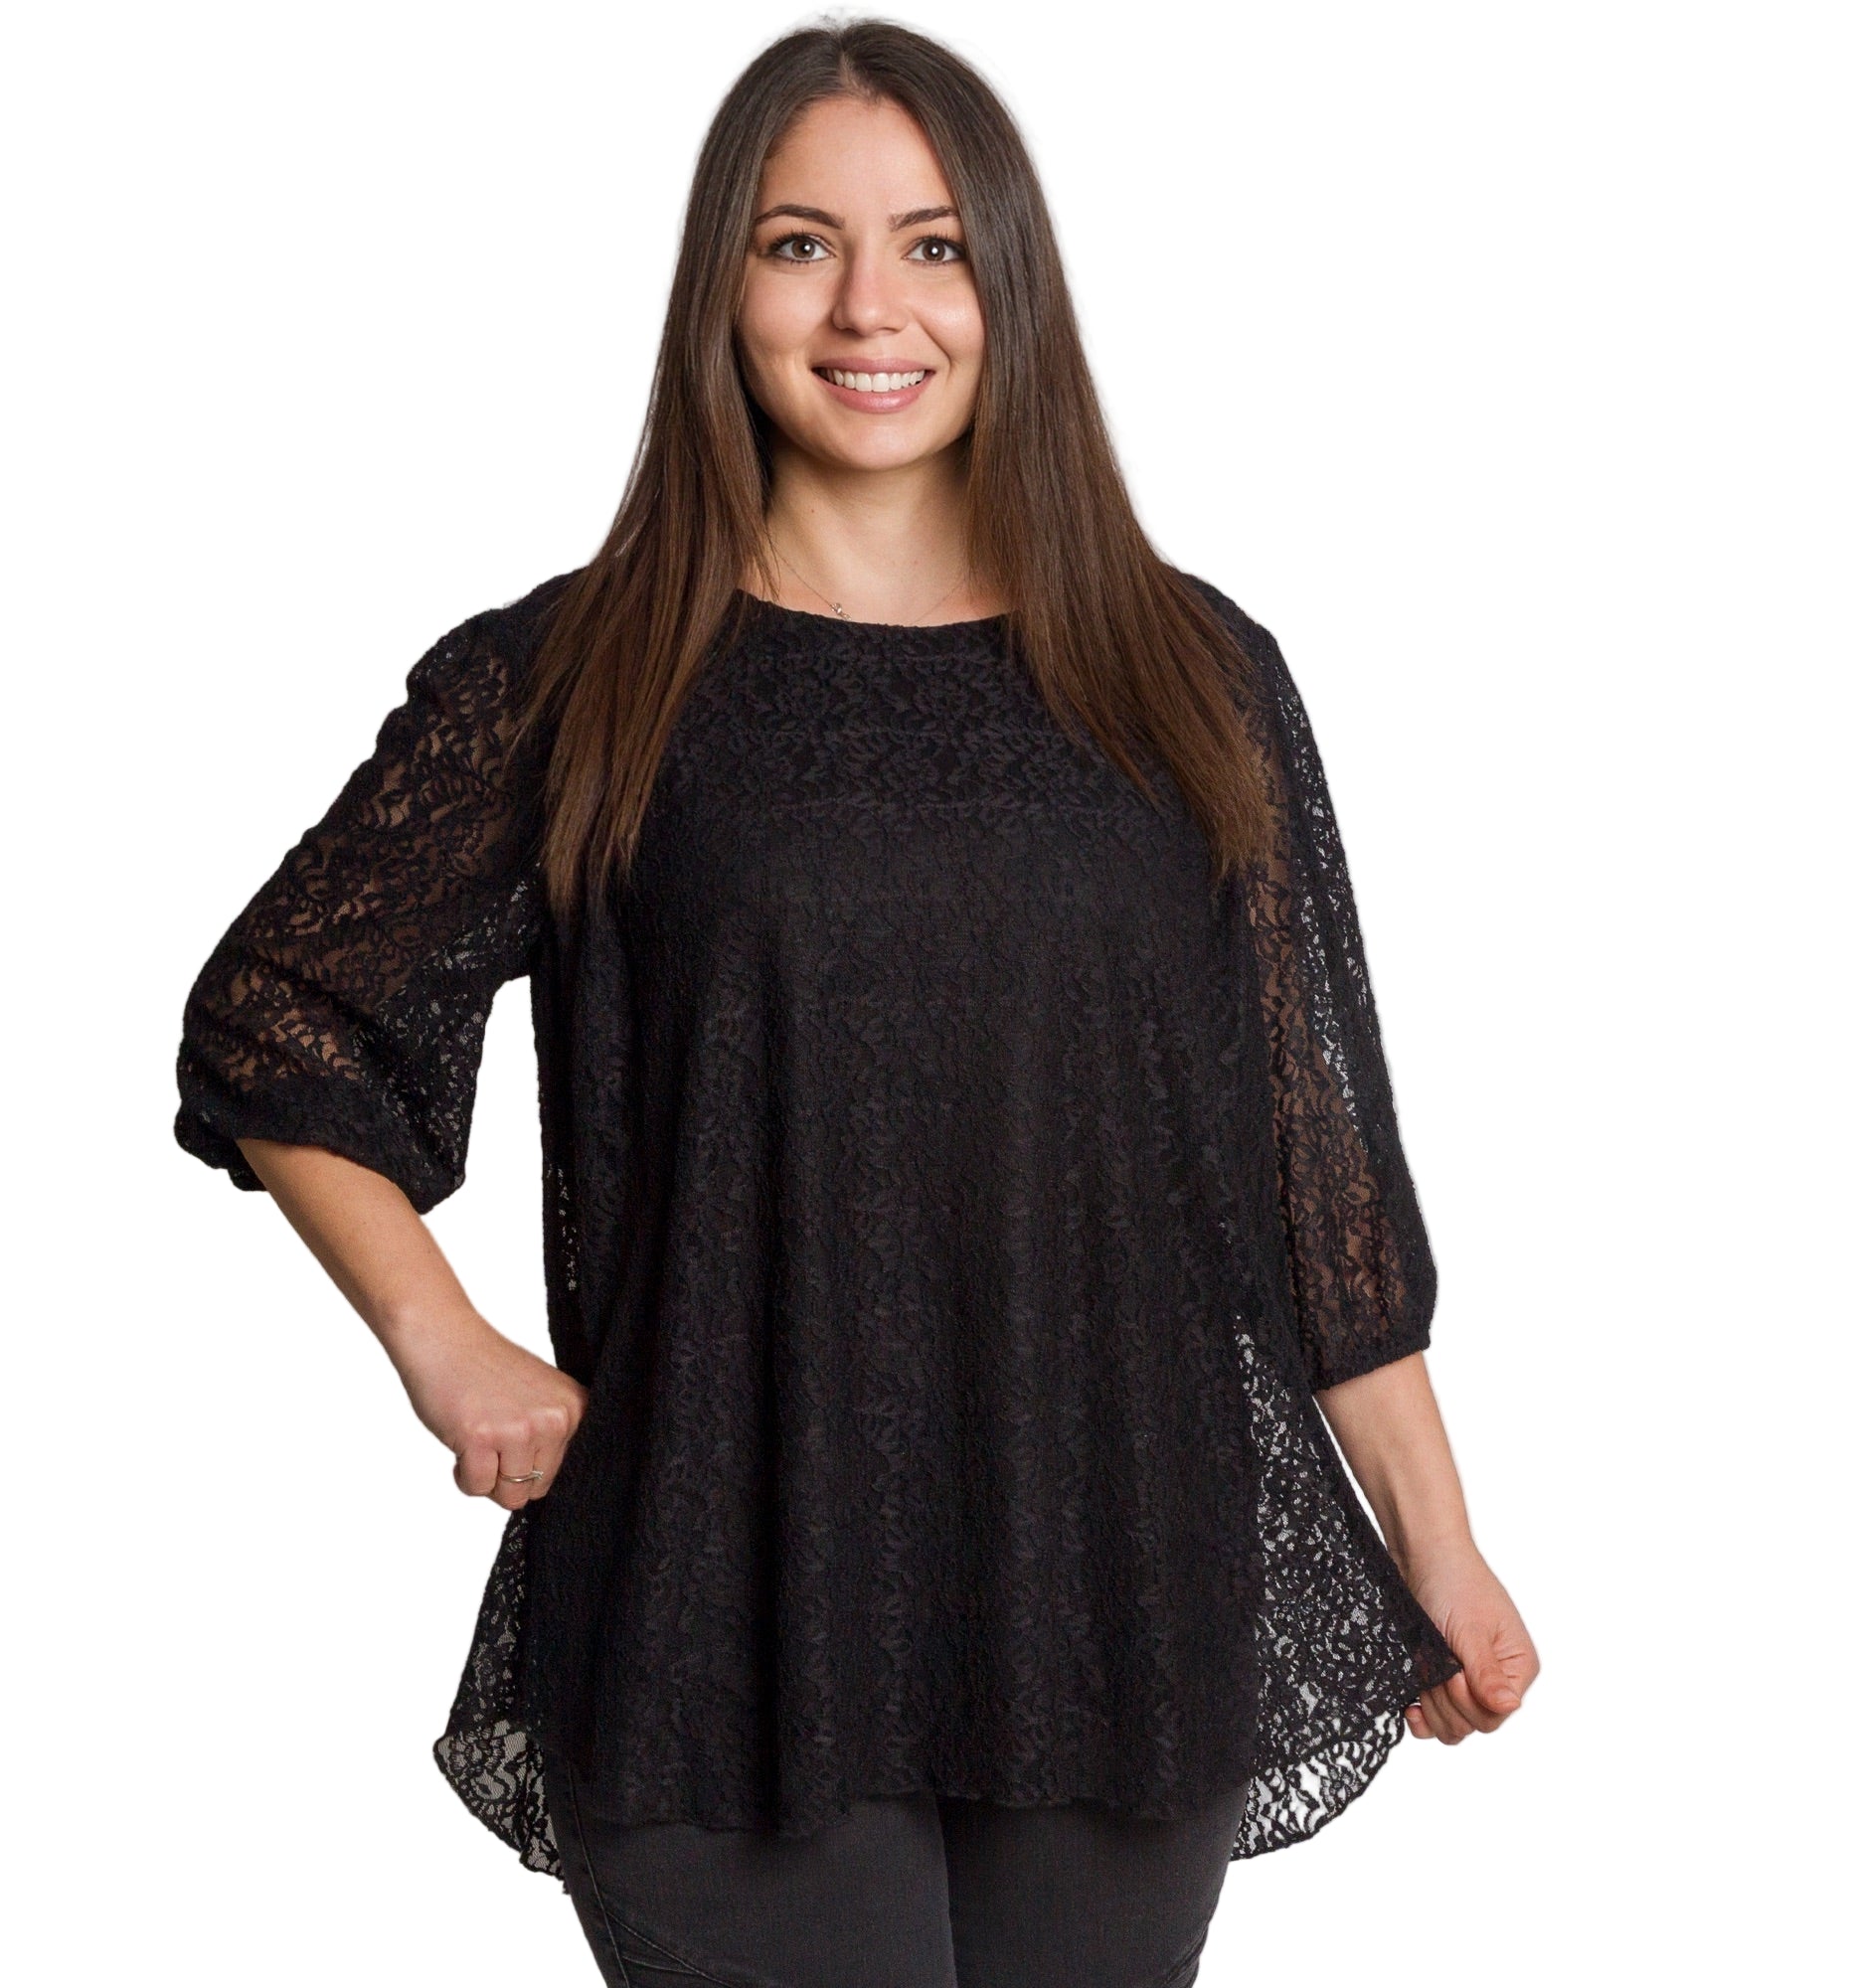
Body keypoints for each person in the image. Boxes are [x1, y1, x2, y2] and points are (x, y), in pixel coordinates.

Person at [172, 20, 1539, 1986]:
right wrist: (440, 1342)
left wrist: (1441, 1536)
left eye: (933, 246)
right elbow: (284, 1018)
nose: (868, 308)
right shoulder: (578, 674)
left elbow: (1312, 1179)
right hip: (724, 1599)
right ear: (721, 291)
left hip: (1110, 1586)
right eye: (799, 243)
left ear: (1009, 284)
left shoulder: (1192, 676)